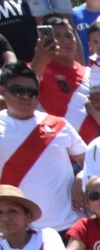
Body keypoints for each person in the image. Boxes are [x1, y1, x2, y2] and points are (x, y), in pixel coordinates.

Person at [0, 62, 86, 234]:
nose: (25, 96)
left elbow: (89, 159)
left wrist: (81, 176)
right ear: (3, 91)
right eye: (17, 90)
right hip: (21, 232)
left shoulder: (58, 124)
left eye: (32, 92)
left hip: (71, 225)